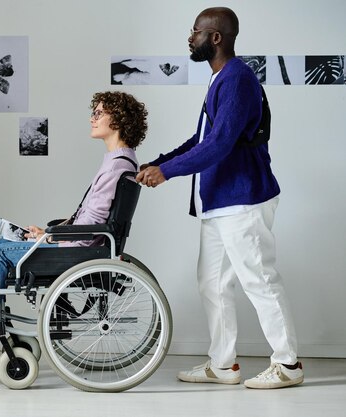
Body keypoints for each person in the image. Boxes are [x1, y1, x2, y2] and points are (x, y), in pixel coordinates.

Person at [136, 7, 302, 389]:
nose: (189, 37)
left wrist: (168, 172)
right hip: (220, 202)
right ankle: (223, 364)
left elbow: (221, 143)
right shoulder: (220, 80)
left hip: (243, 198)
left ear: (215, 38)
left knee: (259, 279)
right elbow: (201, 140)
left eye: (195, 32)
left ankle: (288, 364)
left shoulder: (238, 79)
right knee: (212, 283)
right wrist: (159, 162)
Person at [0, 91, 148, 357]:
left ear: (117, 120)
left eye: (98, 113)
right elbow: (90, 216)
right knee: (5, 244)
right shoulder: (120, 160)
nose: (92, 119)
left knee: (1, 251)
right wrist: (46, 233)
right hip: (82, 244)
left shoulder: (117, 165)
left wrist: (52, 239)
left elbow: (92, 221)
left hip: (80, 251)